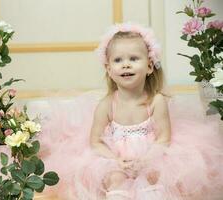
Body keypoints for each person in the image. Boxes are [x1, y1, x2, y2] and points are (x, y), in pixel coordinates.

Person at [38, 23, 223, 200]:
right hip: (116, 158)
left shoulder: (156, 101)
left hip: (152, 155)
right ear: (109, 69)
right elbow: (95, 141)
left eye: (134, 59)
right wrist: (115, 160)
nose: (126, 65)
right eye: (118, 60)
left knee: (155, 175)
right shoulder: (107, 105)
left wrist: (146, 160)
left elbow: (164, 138)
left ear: (150, 66)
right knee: (115, 178)